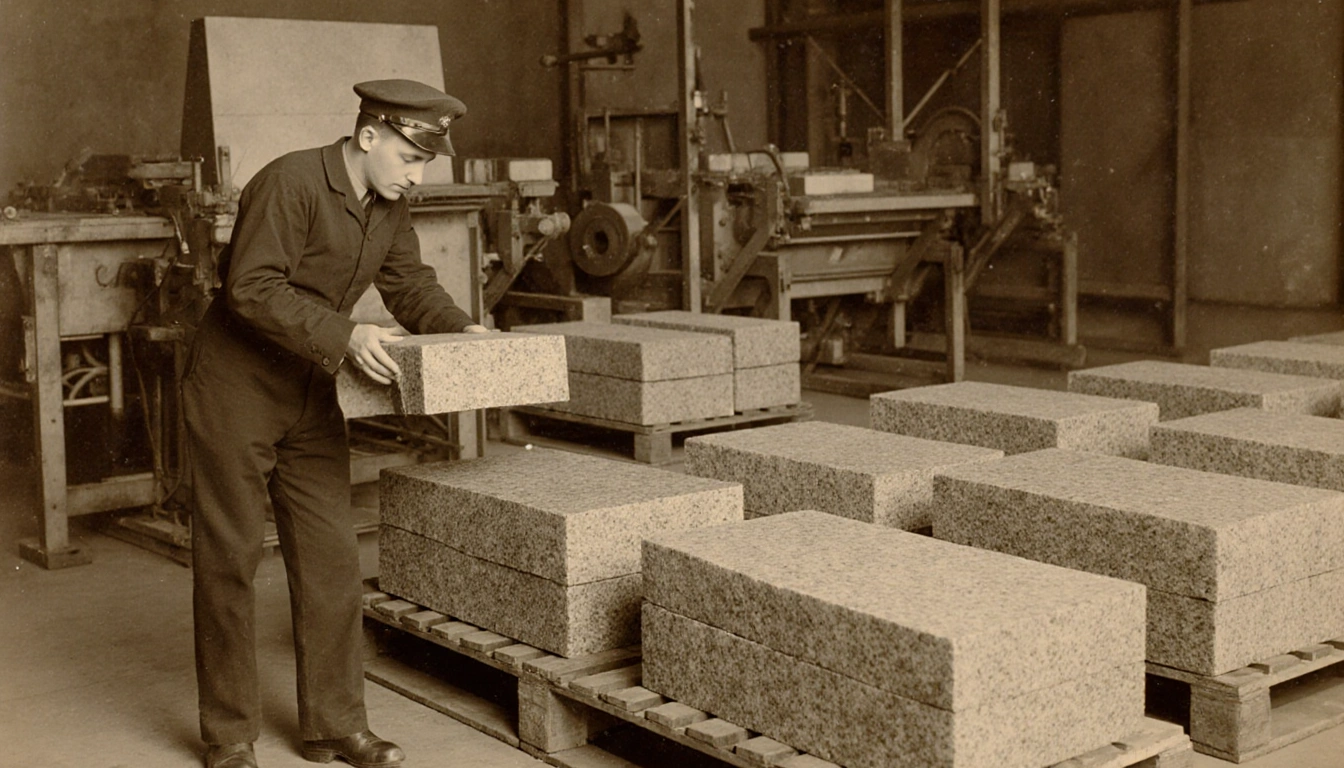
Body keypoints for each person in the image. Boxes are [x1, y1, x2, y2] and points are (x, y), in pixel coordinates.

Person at [183, 79, 488, 768]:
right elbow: (250, 289)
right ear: (369, 135)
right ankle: (230, 735)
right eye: (411, 158)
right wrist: (347, 336)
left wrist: (464, 330)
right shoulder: (289, 182)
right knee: (229, 559)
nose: (416, 177)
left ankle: (333, 726)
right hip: (235, 388)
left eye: (424, 166)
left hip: (310, 389)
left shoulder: (389, 204)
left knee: (331, 561)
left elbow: (410, 286)